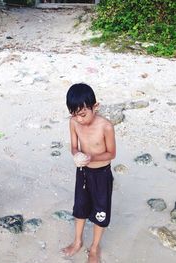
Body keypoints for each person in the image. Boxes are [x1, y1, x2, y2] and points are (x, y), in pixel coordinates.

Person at [62, 83, 116, 262]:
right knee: (80, 207)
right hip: (83, 172)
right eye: (75, 115)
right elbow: (74, 147)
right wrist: (76, 154)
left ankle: (94, 247)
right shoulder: (74, 122)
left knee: (100, 212)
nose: (79, 119)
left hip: (102, 174)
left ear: (96, 106)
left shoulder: (105, 126)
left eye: (83, 114)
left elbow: (112, 153)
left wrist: (91, 157)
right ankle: (77, 241)